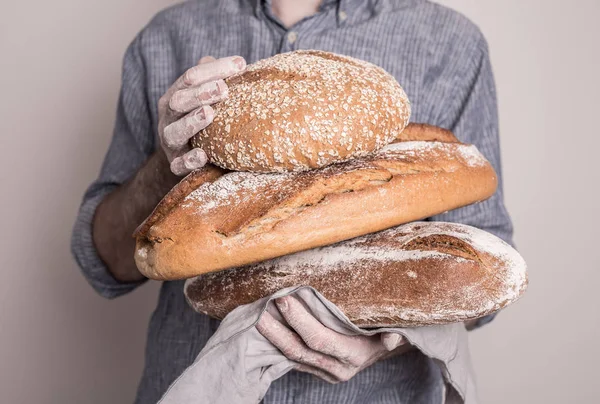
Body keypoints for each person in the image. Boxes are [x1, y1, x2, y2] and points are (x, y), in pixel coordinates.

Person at [71, 0, 514, 402]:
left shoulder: (450, 43)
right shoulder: (167, 36)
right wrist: (167, 165)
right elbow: (105, 264)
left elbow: (485, 266)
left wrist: (390, 333)